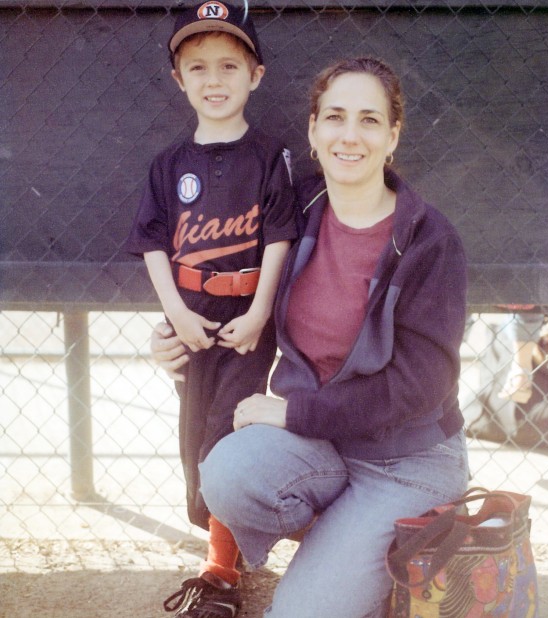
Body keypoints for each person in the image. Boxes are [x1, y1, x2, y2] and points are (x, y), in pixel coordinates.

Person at [152, 57, 469, 618]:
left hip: (405, 459)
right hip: (322, 451)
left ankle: (373, 549)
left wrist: (294, 415)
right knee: (226, 474)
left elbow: (421, 385)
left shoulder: (428, 239)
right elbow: (232, 297)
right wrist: (174, 339)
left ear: (393, 136)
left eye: (370, 121)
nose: (350, 136)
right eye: (335, 117)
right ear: (313, 131)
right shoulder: (294, 208)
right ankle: (347, 542)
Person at [125, 3, 297, 617]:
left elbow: (280, 234)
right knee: (197, 435)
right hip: (192, 316)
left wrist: (259, 313)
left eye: (230, 64)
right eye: (197, 66)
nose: (214, 78)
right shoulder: (169, 165)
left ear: (256, 74)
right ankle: (231, 549)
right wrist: (174, 313)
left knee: (226, 435)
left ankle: (222, 569)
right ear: (178, 78)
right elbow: (151, 243)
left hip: (247, 322)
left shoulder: (269, 154)